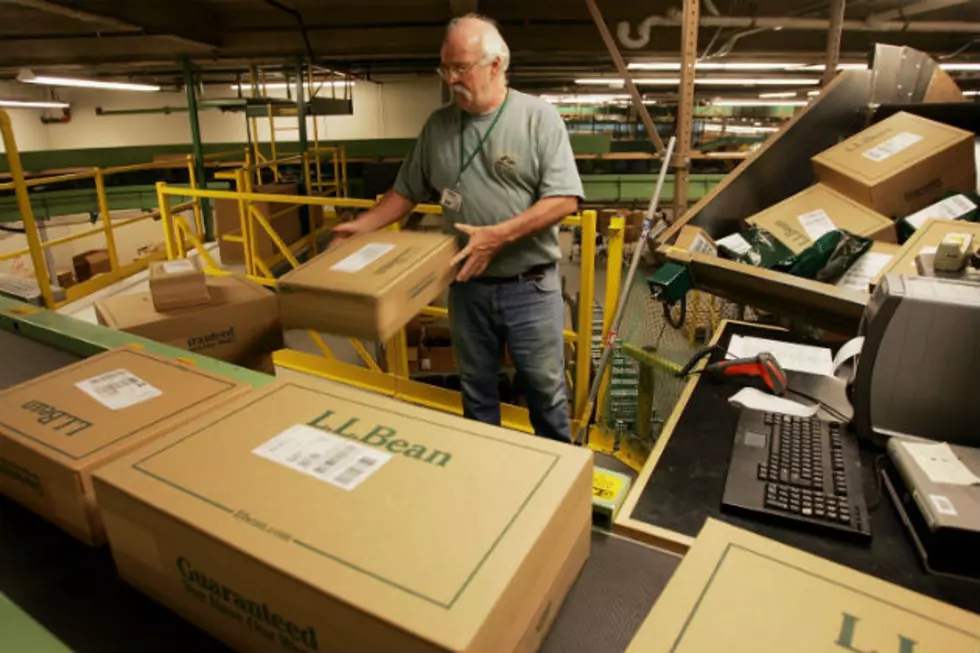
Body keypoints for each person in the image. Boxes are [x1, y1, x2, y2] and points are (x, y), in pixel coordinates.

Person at [332, 14, 583, 443]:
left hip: (530, 287)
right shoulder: (438, 126)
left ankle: (561, 487)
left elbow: (564, 198)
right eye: (445, 68)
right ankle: (484, 479)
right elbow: (405, 193)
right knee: (477, 392)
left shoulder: (538, 119)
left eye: (460, 68)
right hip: (468, 286)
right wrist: (361, 226)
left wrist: (498, 236)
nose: (451, 79)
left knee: (545, 393)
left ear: (496, 64)